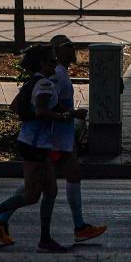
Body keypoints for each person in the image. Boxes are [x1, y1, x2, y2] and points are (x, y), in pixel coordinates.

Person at [0, 45, 73, 252]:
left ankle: (45, 239)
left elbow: (16, 106)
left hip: (35, 142)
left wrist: (65, 111)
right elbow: (42, 111)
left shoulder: (33, 82)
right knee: (31, 195)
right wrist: (64, 116)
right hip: (34, 144)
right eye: (53, 61)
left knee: (51, 190)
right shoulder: (45, 84)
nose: (56, 64)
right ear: (42, 63)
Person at [47, 34, 108, 243]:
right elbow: (48, 102)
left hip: (62, 137)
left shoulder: (62, 72)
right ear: (56, 51)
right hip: (56, 136)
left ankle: (80, 226)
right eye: (67, 46)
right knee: (35, 186)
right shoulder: (57, 74)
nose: (72, 49)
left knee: (70, 176)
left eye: (72, 45)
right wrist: (74, 114)